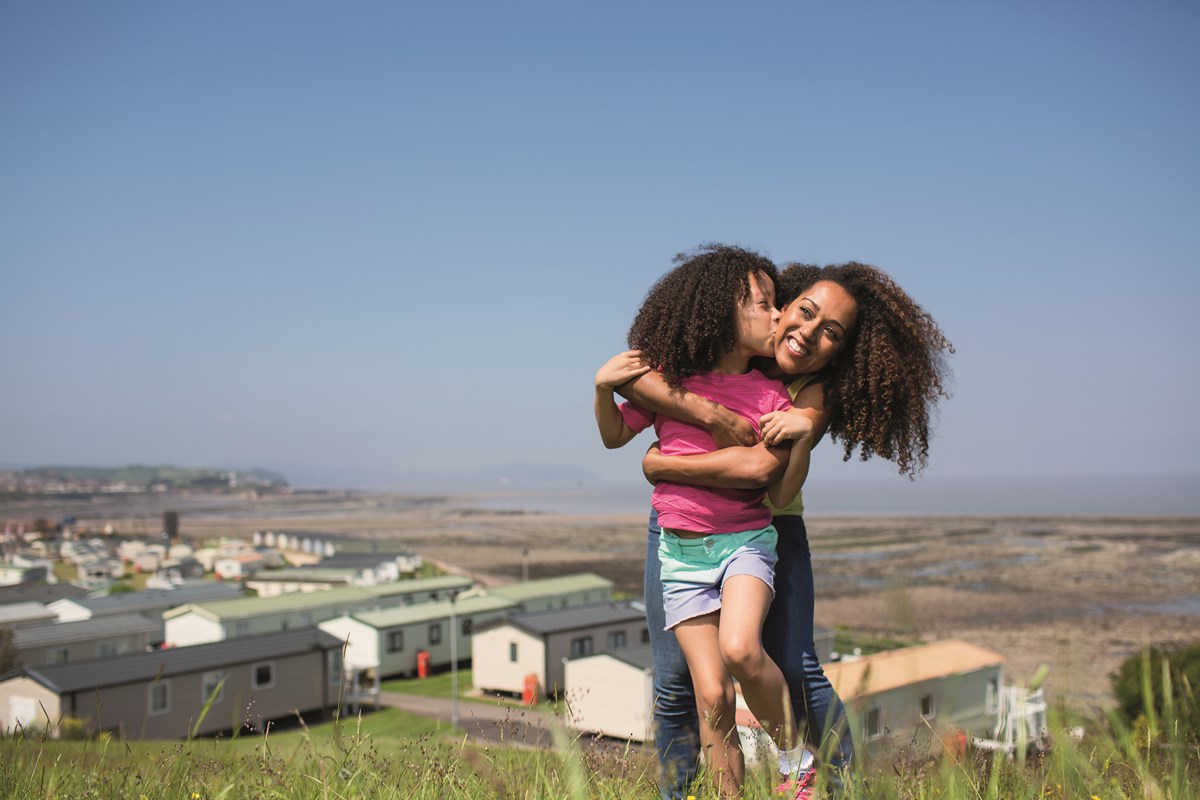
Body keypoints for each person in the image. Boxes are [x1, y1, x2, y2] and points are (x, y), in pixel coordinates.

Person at [619, 261, 954, 799]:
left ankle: (837, 786)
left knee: (795, 669)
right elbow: (637, 380)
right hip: (684, 526)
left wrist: (660, 466)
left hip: (768, 530)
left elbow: (759, 473)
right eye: (804, 311)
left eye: (832, 333)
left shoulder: (809, 393)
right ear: (780, 307)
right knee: (677, 686)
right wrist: (711, 415)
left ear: (840, 352)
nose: (808, 333)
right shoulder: (725, 347)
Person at [594, 244, 817, 799]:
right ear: (721, 312)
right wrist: (601, 388)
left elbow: (759, 475)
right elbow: (614, 434)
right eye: (763, 305)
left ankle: (796, 761)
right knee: (710, 698)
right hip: (680, 553)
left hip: (744, 542)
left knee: (743, 650)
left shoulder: (769, 394)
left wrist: (665, 465)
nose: (776, 315)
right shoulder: (673, 381)